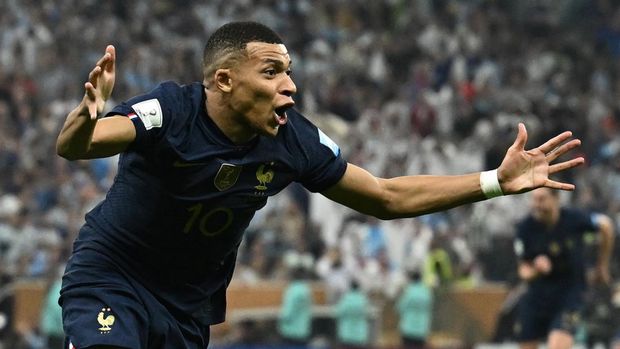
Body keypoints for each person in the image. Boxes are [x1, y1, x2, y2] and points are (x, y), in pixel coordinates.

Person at [55, 21, 584, 349]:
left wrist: (494, 180)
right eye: (270, 72)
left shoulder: (293, 141)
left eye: (288, 71)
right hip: (113, 277)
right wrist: (87, 114)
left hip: (187, 309)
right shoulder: (171, 109)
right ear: (223, 81)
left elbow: (385, 196)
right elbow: (80, 145)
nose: (289, 85)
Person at [513, 187, 615, 349]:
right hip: (537, 297)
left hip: (570, 296)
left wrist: (602, 265)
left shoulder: (574, 219)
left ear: (556, 199)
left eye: (542, 199)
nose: (537, 205)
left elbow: (606, 225)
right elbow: (523, 271)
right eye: (534, 199)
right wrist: (536, 270)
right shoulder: (525, 228)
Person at [396, 270, 433, 349]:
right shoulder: (426, 292)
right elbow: (429, 307)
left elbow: (400, 307)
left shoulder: (408, 291)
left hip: (408, 328)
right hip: (422, 328)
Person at [277, 267, 313, 346]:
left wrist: (280, 321)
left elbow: (287, 313)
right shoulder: (307, 290)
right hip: (303, 330)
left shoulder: (291, 290)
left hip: (290, 331)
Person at [334, 280, 371, 349]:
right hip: (360, 334)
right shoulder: (363, 299)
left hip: (346, 333)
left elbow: (338, 313)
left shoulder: (345, 298)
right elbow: (367, 313)